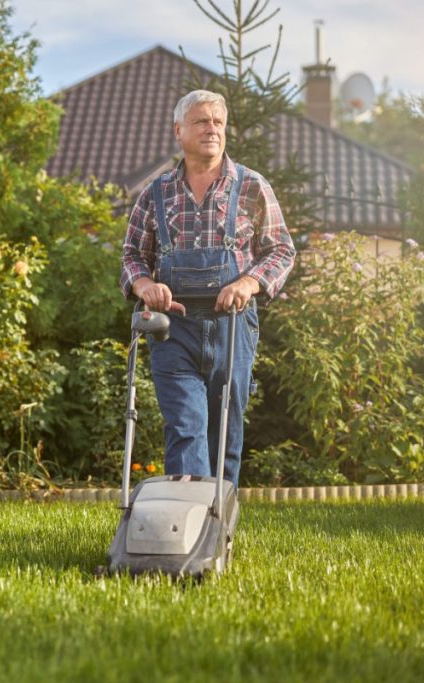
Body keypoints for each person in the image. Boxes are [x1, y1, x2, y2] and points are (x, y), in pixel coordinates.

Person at [119, 89, 295, 487]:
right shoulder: (156, 193)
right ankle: (186, 529)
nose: (211, 129)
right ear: (178, 130)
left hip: (232, 325)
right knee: (185, 427)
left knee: (225, 432)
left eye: (218, 121)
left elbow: (282, 250)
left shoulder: (251, 186)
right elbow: (131, 255)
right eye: (201, 121)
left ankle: (218, 529)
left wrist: (249, 283)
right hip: (172, 328)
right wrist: (144, 283)